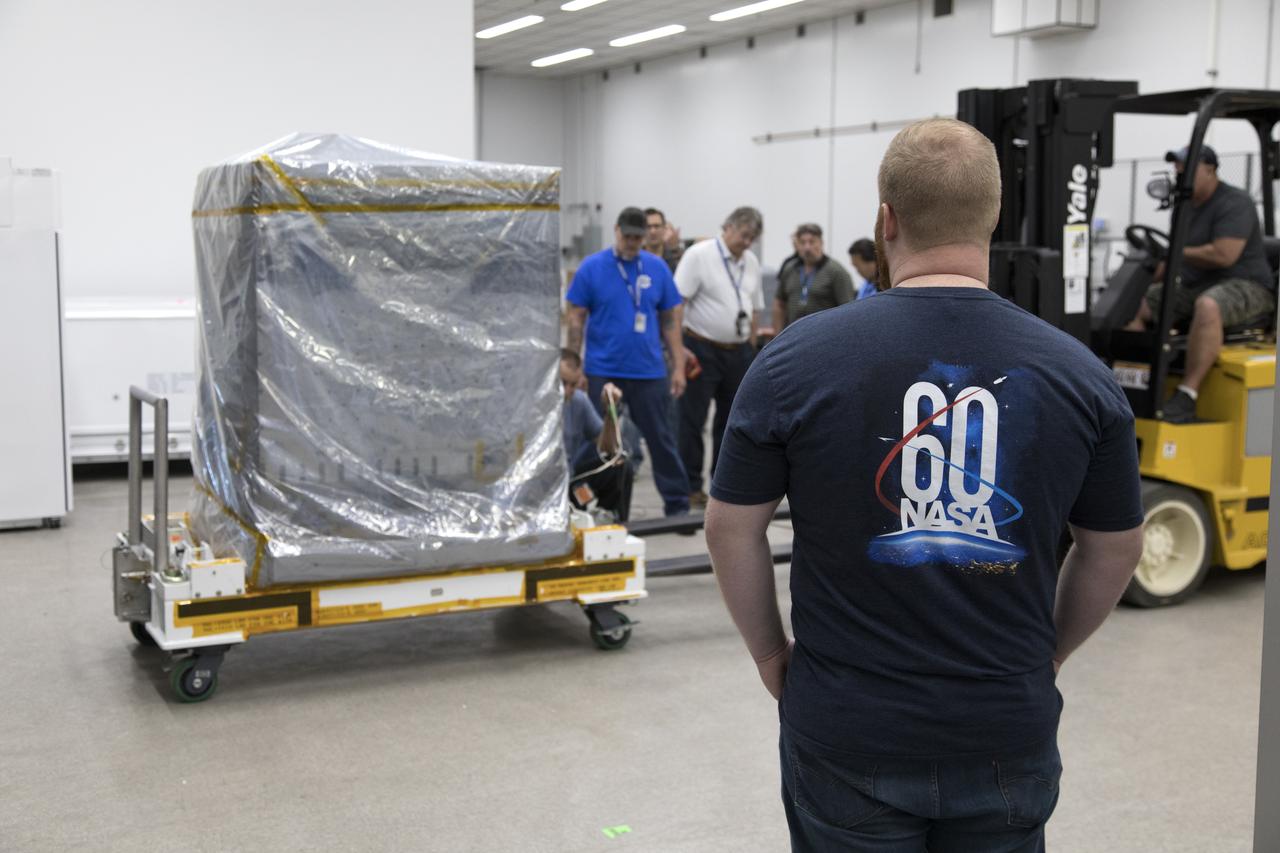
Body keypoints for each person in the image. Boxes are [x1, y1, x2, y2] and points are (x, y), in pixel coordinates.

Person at [705, 118, 1144, 852]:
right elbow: (1115, 548)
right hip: (1006, 725)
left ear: (886, 220)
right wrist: (1049, 654)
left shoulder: (793, 362)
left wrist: (770, 655)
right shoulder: (1082, 377)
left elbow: (730, 527)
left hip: (846, 728)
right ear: (994, 219)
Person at [1128, 144, 1275, 423]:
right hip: (1200, 285)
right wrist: (1147, 277)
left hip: (1246, 285)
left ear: (1210, 170)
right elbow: (1172, 256)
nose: (1180, 175)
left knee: (1208, 306)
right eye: (1178, 170)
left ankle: (1187, 394)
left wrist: (1173, 254)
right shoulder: (1183, 208)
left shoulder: (1235, 202)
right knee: (1143, 302)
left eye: (1187, 169)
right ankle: (1134, 381)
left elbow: (1223, 254)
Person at [566, 207, 690, 517]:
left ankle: (677, 506)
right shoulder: (592, 268)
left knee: (661, 440)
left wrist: (678, 366)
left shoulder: (657, 268)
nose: (633, 242)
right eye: (628, 236)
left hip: (648, 372)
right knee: (593, 440)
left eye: (639, 237)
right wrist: (573, 367)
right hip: (602, 370)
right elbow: (576, 318)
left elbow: (670, 322)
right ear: (616, 231)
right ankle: (574, 497)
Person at [673, 206, 765, 508]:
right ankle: (689, 486)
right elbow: (677, 306)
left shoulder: (750, 261)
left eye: (752, 238)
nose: (747, 242)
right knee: (692, 420)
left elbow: (754, 309)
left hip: (737, 353)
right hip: (700, 348)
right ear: (727, 228)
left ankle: (721, 486)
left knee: (731, 423)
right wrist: (678, 352)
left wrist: (750, 349)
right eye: (743, 235)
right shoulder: (699, 256)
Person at [559, 349, 633, 521]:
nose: (566, 391)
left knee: (620, 465)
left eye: (572, 385)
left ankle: (612, 524)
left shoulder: (578, 401)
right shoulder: (533, 405)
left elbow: (608, 449)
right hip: (541, 490)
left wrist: (610, 411)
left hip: (571, 486)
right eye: (562, 383)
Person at [773, 223, 855, 330]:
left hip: (823, 335)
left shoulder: (837, 272)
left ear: (821, 243)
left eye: (812, 242)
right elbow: (779, 303)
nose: (807, 247)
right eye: (803, 243)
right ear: (797, 245)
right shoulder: (790, 269)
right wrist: (778, 335)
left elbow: (848, 310)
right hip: (793, 335)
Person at [644, 207, 684, 272]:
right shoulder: (635, 259)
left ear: (664, 228)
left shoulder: (676, 260)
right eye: (648, 227)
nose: (652, 231)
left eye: (656, 226)